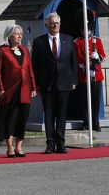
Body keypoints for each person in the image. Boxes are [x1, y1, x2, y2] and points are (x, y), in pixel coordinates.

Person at [31, 12, 77, 154]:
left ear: (60, 24)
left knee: (62, 115)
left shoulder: (68, 40)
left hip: (64, 83)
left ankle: (61, 143)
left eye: (57, 23)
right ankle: (50, 143)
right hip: (47, 85)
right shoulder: (39, 42)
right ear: (46, 25)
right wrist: (36, 85)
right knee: (49, 115)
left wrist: (74, 81)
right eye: (52, 23)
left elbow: (73, 62)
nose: (55, 25)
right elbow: (35, 65)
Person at [0, 25, 37, 157]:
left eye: (21, 34)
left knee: (22, 119)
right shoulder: (1, 50)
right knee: (9, 118)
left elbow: (30, 69)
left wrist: (33, 87)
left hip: (25, 89)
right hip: (9, 90)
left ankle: (19, 147)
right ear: (9, 35)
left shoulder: (25, 50)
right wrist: (0, 88)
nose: (19, 36)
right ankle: (10, 147)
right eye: (16, 34)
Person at [74, 25, 105, 132]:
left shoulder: (97, 41)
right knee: (85, 100)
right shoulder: (77, 42)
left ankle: (96, 123)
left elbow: (103, 54)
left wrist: (98, 57)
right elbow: (78, 57)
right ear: (81, 30)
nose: (86, 31)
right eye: (84, 29)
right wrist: (90, 62)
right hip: (84, 75)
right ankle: (86, 122)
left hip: (96, 76)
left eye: (88, 29)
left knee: (96, 100)